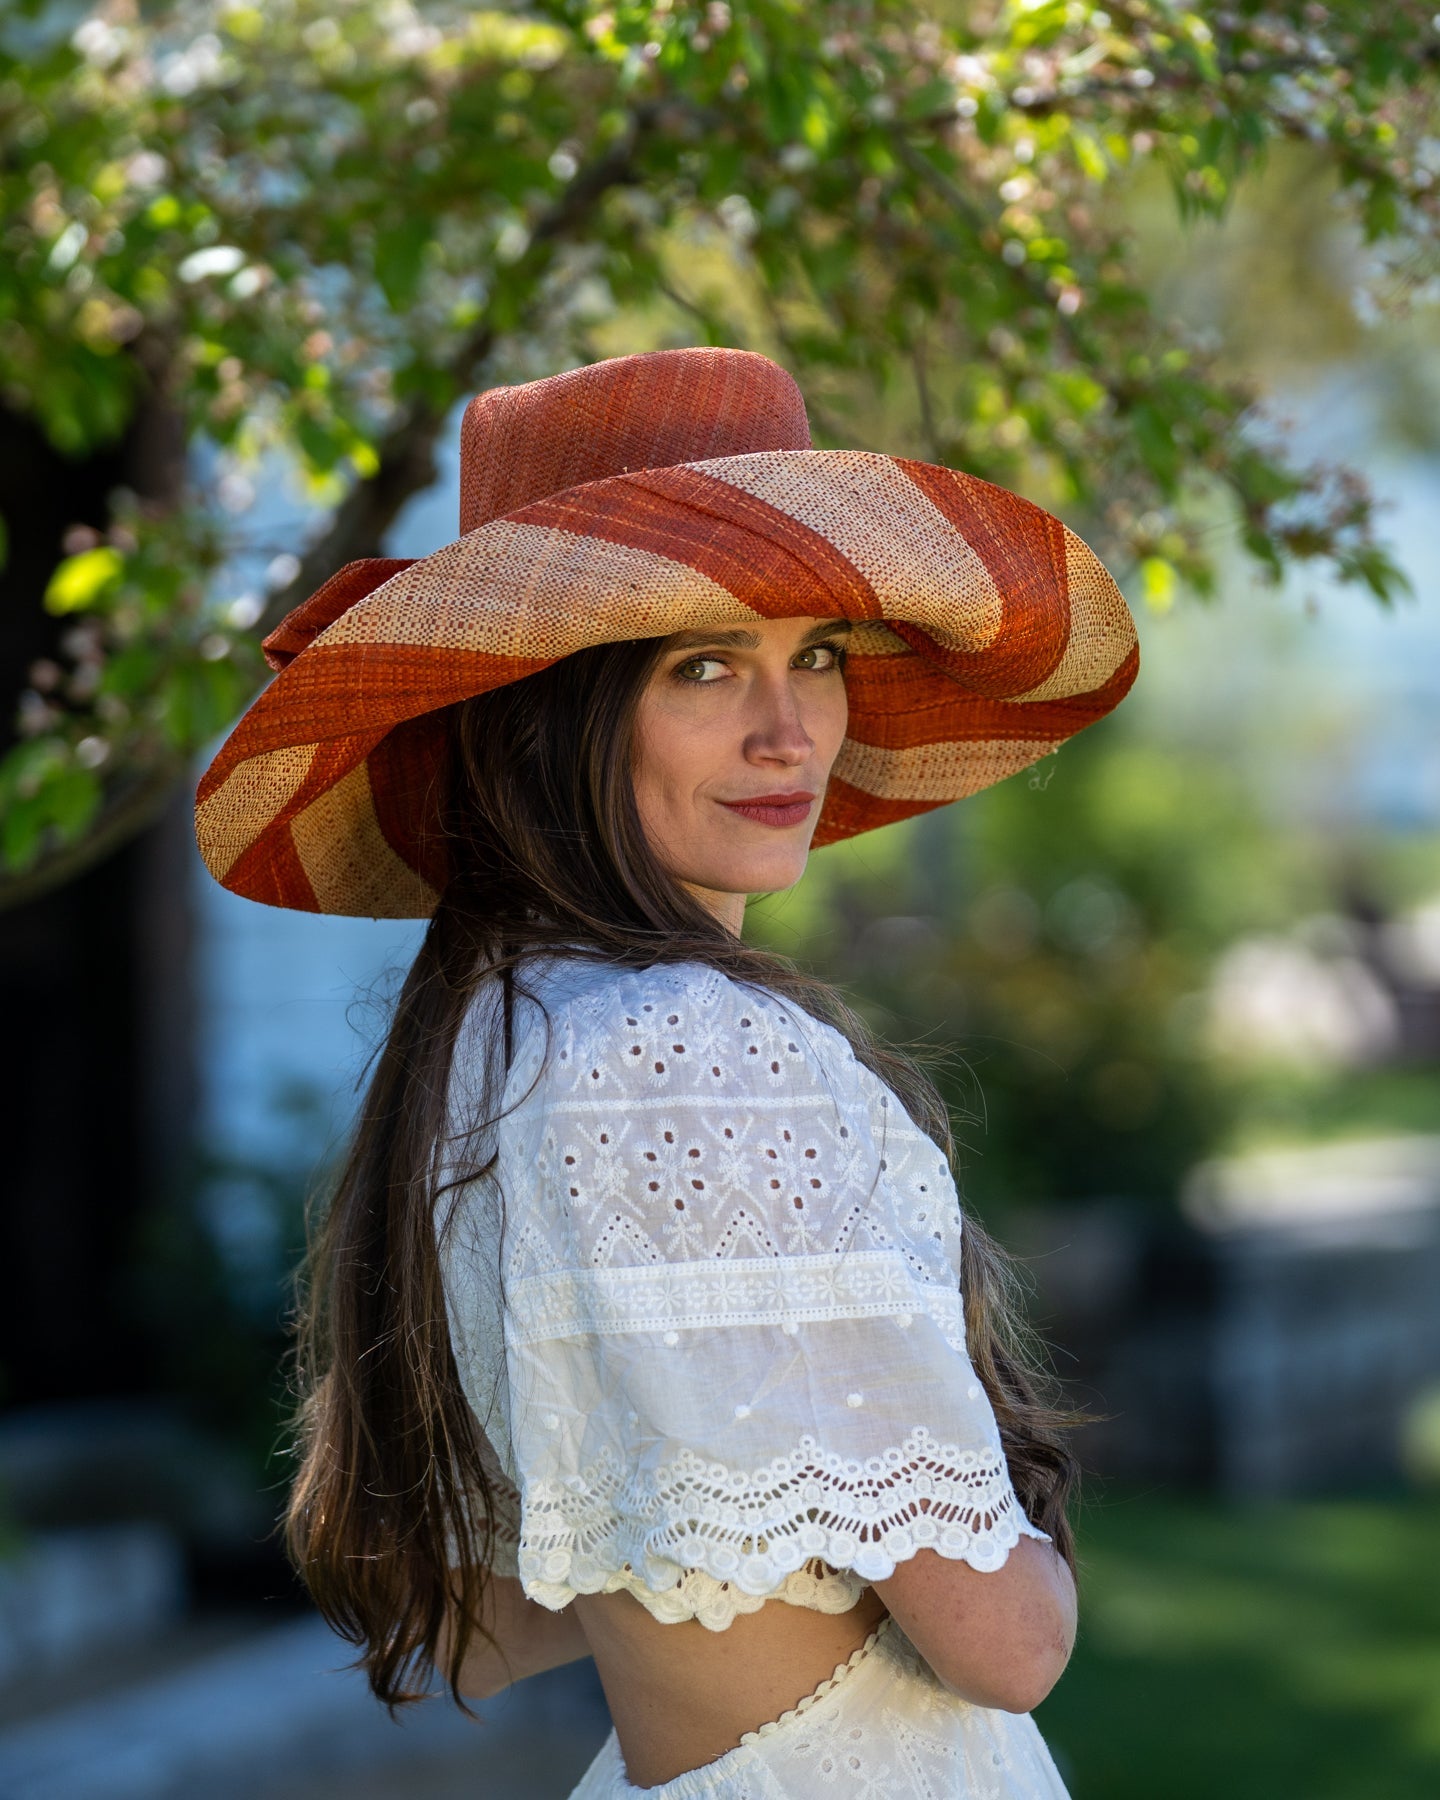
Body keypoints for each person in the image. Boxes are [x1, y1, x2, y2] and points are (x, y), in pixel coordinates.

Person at [195, 347, 1139, 1797]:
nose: (790, 731)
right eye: (704, 667)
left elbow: (475, 1631)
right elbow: (1006, 1650)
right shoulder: (701, 1052)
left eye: (815, 654)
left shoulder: (495, 1035)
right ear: (555, 710)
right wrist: (1038, 1548)